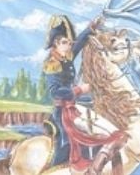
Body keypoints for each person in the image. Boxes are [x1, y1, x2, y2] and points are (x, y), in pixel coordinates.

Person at [42, 15, 98, 168]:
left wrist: (91, 28)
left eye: (68, 42)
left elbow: (78, 43)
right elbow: (55, 92)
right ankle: (54, 168)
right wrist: (79, 89)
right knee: (66, 142)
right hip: (62, 109)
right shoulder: (52, 64)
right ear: (56, 43)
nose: (69, 45)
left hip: (74, 103)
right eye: (65, 42)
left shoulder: (66, 56)